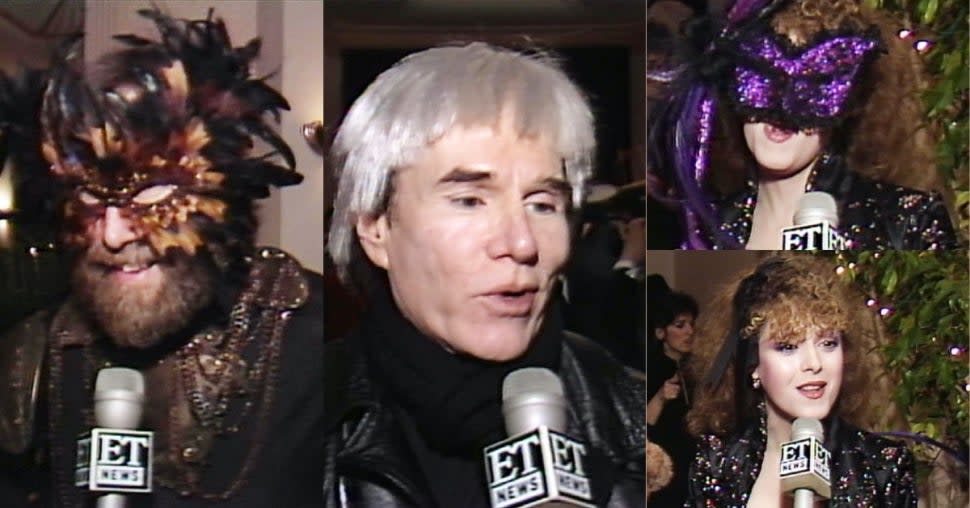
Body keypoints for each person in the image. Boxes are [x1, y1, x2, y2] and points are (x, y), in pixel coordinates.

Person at [0, 10, 324, 507]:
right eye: (88, 199)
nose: (113, 233)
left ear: (224, 191)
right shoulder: (31, 360)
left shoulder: (325, 336)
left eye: (152, 192)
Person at [323, 42, 645, 507]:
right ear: (375, 228)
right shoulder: (298, 424)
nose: (521, 243)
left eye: (542, 204)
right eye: (470, 201)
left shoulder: (630, 411)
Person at [653, 0, 960, 249]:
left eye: (817, 82)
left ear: (851, 100)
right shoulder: (707, 227)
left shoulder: (908, 220)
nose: (783, 109)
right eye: (764, 77)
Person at [684, 254, 916, 506]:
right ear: (754, 365)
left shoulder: (884, 466)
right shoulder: (717, 463)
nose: (814, 363)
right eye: (787, 346)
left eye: (828, 343)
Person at [645, 290, 698, 506]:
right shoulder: (649, 369)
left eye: (692, 324)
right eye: (680, 325)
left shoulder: (696, 368)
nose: (690, 332)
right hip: (663, 470)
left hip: (693, 466)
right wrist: (660, 397)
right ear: (660, 333)